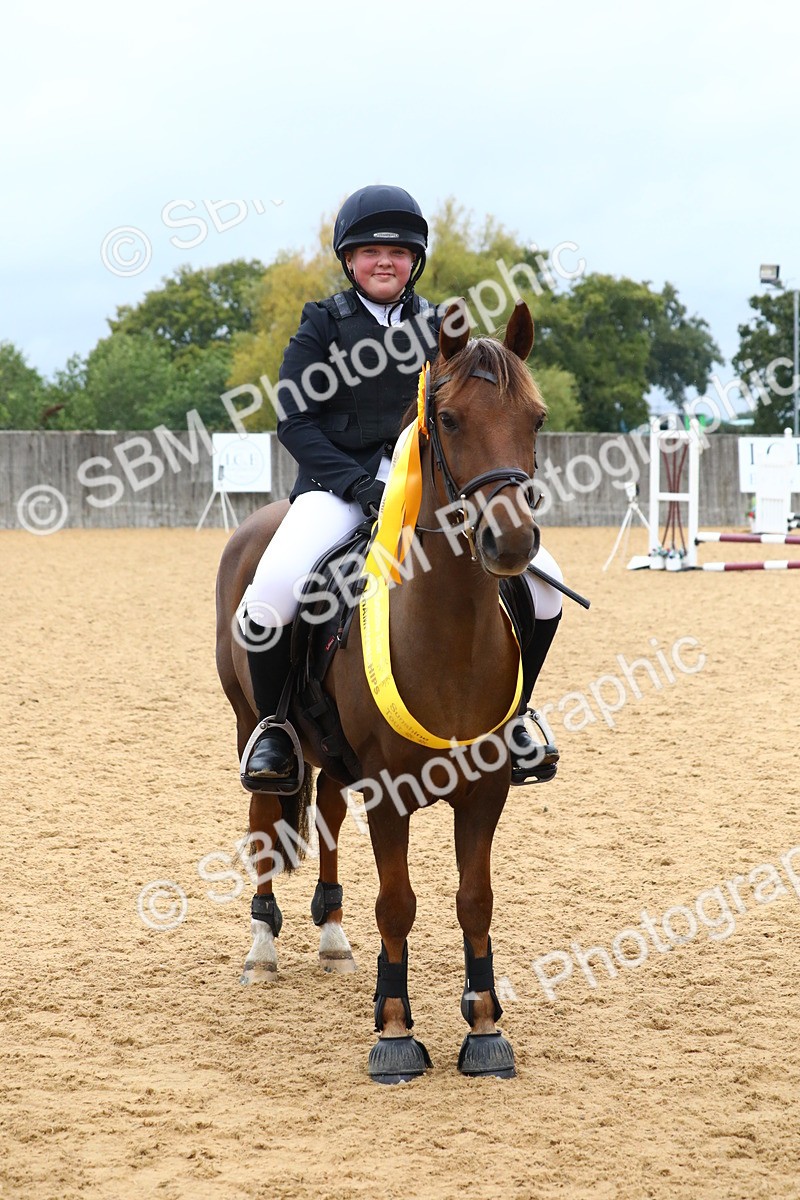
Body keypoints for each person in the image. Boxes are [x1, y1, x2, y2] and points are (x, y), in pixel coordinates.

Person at [239, 184, 563, 793]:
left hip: (427, 492)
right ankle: (276, 727)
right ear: (349, 261)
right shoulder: (321, 324)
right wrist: (357, 483)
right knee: (270, 595)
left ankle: (517, 719)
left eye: (397, 250)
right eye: (368, 250)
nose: (383, 260)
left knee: (545, 587)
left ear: (415, 260)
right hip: (336, 490)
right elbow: (295, 421)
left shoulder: (443, 328)